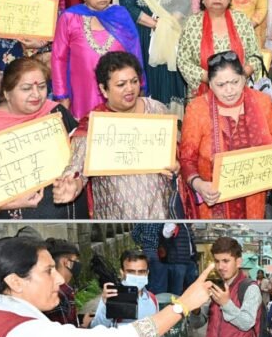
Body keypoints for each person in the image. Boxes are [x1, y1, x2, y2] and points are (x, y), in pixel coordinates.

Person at [0, 236, 214, 337]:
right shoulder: (23, 335)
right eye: (49, 271)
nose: (59, 279)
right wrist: (183, 304)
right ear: (15, 282)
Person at [54, 52, 181, 218]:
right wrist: (73, 185)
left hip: (162, 214)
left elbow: (178, 152)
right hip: (116, 219)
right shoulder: (94, 125)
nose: (130, 89)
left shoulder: (157, 110)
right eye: (121, 84)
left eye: (134, 81)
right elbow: (77, 168)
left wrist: (176, 165)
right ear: (103, 89)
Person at [0, 58, 89, 219]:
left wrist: (77, 182)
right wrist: (8, 203)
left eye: (41, 87)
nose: (36, 94)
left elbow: (83, 153)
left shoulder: (55, 112)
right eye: (26, 88)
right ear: (7, 93)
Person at [179, 51, 272, 218]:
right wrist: (198, 184)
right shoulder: (197, 109)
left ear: (244, 78)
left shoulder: (263, 103)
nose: (229, 90)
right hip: (214, 204)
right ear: (210, 84)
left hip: (257, 202)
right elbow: (186, 159)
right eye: (221, 85)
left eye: (235, 82)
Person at [115, 0, 192, 116]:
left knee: (169, 74)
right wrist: (156, 25)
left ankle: (174, 121)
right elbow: (128, 5)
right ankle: (148, 117)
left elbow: (183, 2)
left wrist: (167, 23)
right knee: (146, 74)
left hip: (171, 33)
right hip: (142, 34)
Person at [52, 0, 143, 120]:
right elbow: (58, 58)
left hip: (119, 89)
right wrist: (62, 95)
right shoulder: (70, 17)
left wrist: (139, 85)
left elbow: (135, 53)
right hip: (82, 90)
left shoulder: (120, 15)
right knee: (85, 128)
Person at [177, 0, 264, 97]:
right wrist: (212, 78)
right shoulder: (192, 23)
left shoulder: (241, 20)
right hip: (203, 93)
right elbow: (183, 61)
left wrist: (238, 77)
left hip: (239, 90)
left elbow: (256, 56)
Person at [90, 250, 170, 337]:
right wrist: (106, 305)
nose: (136, 276)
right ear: (122, 272)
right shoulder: (112, 298)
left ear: (147, 273)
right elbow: (96, 332)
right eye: (131, 272)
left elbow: (159, 336)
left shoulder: (152, 300)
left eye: (141, 272)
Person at [199, 237, 266, 337]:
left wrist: (226, 304)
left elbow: (247, 323)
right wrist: (195, 311)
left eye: (226, 261)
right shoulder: (215, 286)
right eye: (217, 261)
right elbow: (198, 323)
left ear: (238, 262)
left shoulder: (249, 288)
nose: (220, 267)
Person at [43, 239, 81, 327]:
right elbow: (66, 332)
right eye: (75, 260)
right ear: (66, 262)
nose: (77, 264)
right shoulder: (61, 294)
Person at [132, 224, 169, 294]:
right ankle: (159, 298)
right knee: (160, 279)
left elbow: (134, 234)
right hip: (158, 252)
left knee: (145, 277)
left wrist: (141, 244)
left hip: (146, 252)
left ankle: (147, 296)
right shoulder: (162, 221)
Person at [162, 223, 198, 296]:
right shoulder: (172, 221)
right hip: (178, 261)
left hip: (190, 260)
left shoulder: (187, 223)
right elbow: (166, 234)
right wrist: (174, 224)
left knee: (191, 288)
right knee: (177, 290)